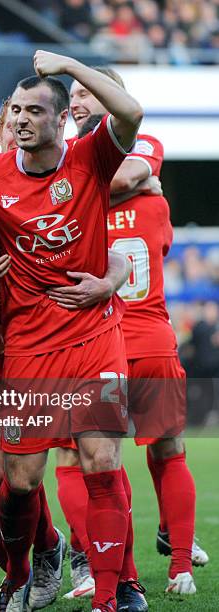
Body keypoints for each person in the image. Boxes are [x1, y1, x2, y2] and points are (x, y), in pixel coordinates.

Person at [0, 50, 143, 612]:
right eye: (15, 109)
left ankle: (112, 594)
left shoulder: (90, 157)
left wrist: (70, 66)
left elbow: (131, 113)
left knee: (100, 462)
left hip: (93, 336)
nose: (22, 118)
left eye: (35, 109)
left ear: (62, 119)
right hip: (29, 347)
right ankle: (25, 570)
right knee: (20, 481)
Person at [54, 66, 208, 605]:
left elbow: (103, 184)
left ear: (110, 96)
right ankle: (181, 564)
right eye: (70, 94)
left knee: (84, 463)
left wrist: (82, 198)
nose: (75, 101)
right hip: (153, 334)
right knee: (168, 451)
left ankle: (112, 573)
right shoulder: (152, 191)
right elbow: (129, 184)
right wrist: (144, 184)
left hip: (102, 343)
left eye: (84, 93)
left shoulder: (69, 175)